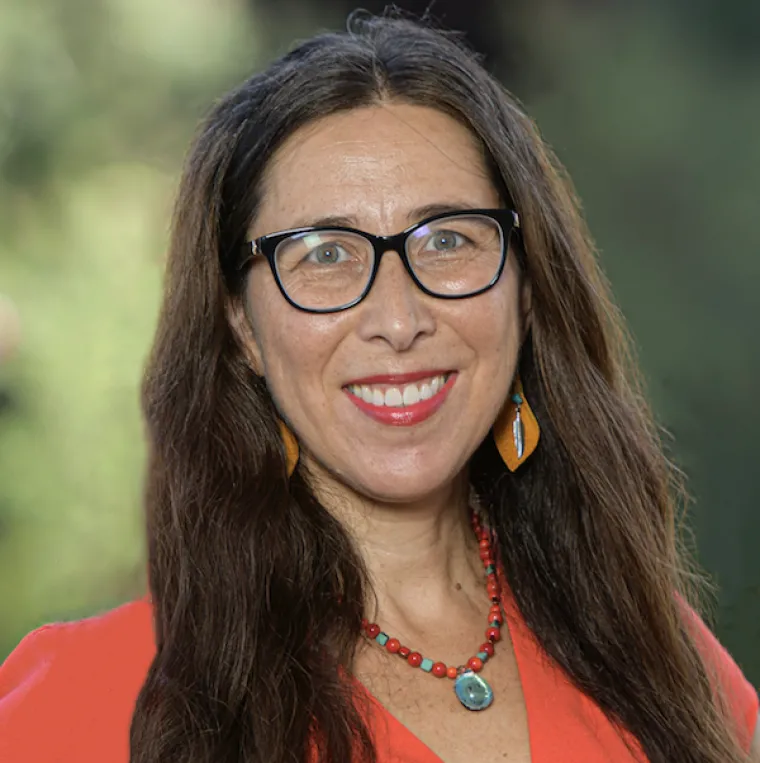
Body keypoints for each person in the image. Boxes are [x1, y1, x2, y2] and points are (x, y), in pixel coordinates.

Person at [0, 12, 757, 763]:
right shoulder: (91, 696)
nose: (398, 319)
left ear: (527, 288)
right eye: (325, 253)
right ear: (240, 323)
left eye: (449, 240)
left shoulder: (661, 662)